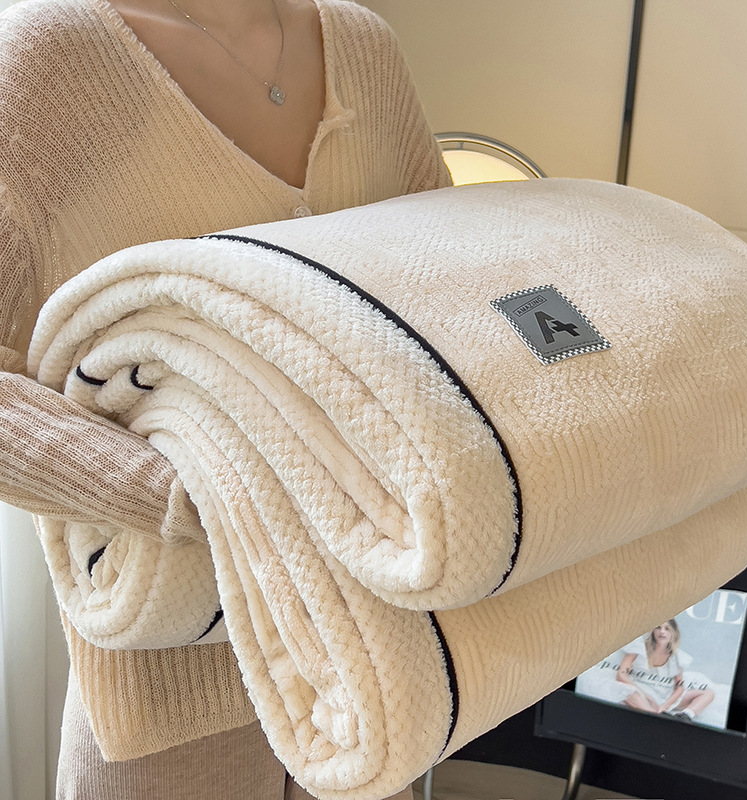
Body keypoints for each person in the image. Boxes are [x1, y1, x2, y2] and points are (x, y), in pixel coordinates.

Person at [0, 0, 451, 797]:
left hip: (384, 669)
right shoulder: (47, 60)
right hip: (170, 690)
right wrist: (202, 495)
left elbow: (445, 295)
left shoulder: (364, 46)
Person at [615, 620, 715, 722]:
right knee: (626, 691)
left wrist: (665, 705)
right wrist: (646, 696)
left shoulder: (677, 657)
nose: (662, 632)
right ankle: (656, 715)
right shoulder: (639, 647)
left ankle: (685, 715)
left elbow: (679, 687)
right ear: (653, 631)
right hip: (639, 690)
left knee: (708, 693)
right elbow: (621, 675)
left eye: (667, 629)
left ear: (673, 633)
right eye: (658, 628)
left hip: (665, 694)